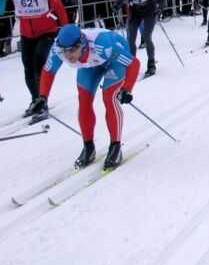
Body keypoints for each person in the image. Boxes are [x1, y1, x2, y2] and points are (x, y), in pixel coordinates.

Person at [39, 24, 140, 169]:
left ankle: (115, 147)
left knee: (110, 98)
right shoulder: (57, 50)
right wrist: (42, 97)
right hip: (89, 64)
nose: (68, 55)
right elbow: (48, 71)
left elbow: (134, 64)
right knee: (84, 101)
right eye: (64, 51)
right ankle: (88, 147)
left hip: (113, 61)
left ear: (83, 44)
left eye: (72, 49)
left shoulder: (102, 45)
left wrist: (127, 89)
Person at [0, 0, 69, 119]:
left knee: (39, 62)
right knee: (28, 66)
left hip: (47, 30)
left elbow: (58, 6)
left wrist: (66, 29)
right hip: (26, 33)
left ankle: (43, 100)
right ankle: (35, 99)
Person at [116, 0, 164, 77]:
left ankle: (151, 63)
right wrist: (116, 6)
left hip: (149, 11)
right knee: (130, 38)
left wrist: (160, 10)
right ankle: (131, 64)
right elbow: (119, 0)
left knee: (147, 36)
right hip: (136, 12)